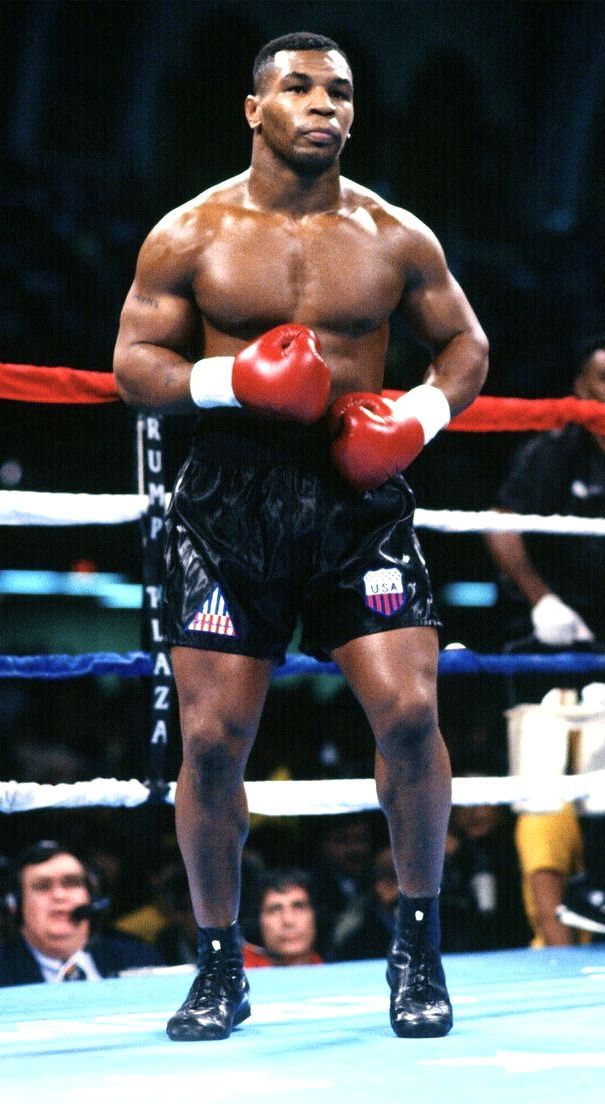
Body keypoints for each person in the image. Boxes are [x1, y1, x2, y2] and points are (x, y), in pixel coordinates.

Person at [113, 31, 488, 1042]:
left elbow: (464, 344)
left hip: (352, 502)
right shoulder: (187, 236)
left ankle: (416, 947)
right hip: (227, 501)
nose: (323, 104)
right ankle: (217, 966)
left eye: (339, 91)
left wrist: (415, 418)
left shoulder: (392, 235)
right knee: (209, 741)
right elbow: (133, 362)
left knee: (410, 712)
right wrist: (228, 378)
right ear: (254, 109)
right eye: (298, 86)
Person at [485, 333, 605, 938]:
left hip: (604, 653)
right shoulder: (550, 454)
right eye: (601, 385)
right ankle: (550, 945)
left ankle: (598, 893)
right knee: (542, 794)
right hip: (546, 647)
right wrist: (543, 600)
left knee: (604, 785)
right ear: (580, 393)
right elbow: (500, 529)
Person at [0, 840, 164, 986]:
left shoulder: (139, 958)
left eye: (71, 883)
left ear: (92, 898)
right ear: (14, 904)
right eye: (42, 886)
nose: (59, 896)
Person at [242, 868, 323, 967]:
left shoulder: (336, 974)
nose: (288, 920)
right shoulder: (237, 977)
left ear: (315, 915)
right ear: (258, 921)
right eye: (275, 910)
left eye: (299, 907)